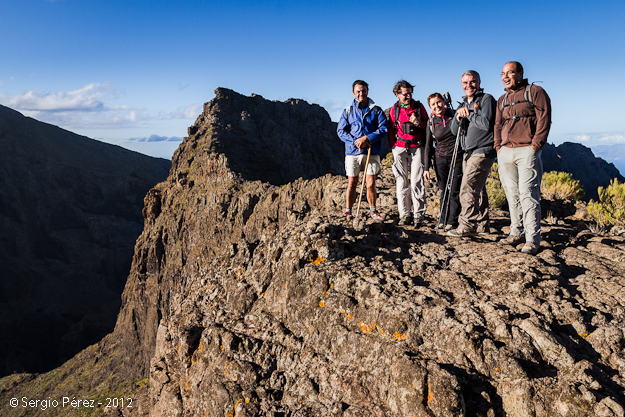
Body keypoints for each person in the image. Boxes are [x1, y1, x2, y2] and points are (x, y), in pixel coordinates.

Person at [495, 61, 552, 255]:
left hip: (527, 150)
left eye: (510, 72)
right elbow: (497, 125)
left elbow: (544, 118)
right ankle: (516, 232)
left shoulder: (535, 91)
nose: (505, 76)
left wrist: (535, 145)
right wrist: (498, 147)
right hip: (505, 152)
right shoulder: (502, 99)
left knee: (528, 194)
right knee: (512, 194)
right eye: (503, 73)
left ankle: (532, 239)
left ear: (520, 73)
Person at [448, 70, 497, 237]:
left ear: (479, 82)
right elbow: (454, 131)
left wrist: (468, 115)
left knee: (467, 188)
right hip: (468, 151)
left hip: (483, 149)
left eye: (472, 82)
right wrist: (458, 117)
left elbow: (487, 124)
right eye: (465, 83)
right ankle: (482, 226)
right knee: (478, 189)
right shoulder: (462, 104)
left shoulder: (486, 99)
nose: (469, 85)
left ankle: (466, 225)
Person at [337, 80, 388, 220]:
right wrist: (356, 142)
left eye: (363, 90)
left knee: (371, 183)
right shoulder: (347, 111)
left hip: (372, 150)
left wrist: (367, 138)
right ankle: (348, 211)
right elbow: (341, 131)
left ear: (367, 91)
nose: (361, 93)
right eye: (358, 91)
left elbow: (383, 129)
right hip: (353, 152)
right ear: (354, 93)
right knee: (352, 182)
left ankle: (373, 211)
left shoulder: (377, 110)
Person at [387, 80, 429, 226]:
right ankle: (404, 215)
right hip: (399, 148)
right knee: (402, 181)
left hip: (417, 147)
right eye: (405, 94)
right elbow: (390, 129)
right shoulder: (395, 109)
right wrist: (393, 147)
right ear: (397, 94)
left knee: (417, 181)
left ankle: (418, 216)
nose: (408, 96)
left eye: (410, 93)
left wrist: (418, 122)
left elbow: (428, 126)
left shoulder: (418, 107)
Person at [423, 93, 463, 231]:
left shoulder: (454, 114)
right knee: (443, 190)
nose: (437, 106)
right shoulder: (431, 122)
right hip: (440, 159)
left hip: (456, 157)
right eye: (433, 104)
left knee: (454, 190)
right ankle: (443, 219)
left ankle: (452, 221)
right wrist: (426, 168)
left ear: (443, 102)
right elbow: (428, 145)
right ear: (430, 107)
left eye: (439, 102)